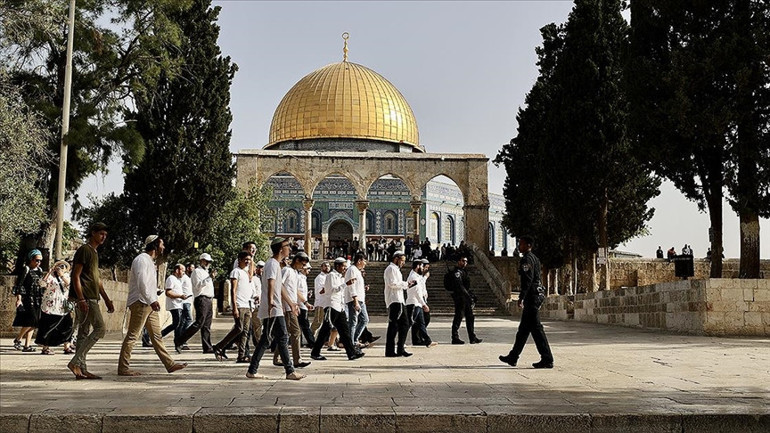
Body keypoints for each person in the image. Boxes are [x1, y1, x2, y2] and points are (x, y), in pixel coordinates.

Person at [118, 236, 187, 376]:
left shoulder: (149, 261)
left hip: (149, 302)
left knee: (156, 336)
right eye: (162, 244)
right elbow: (142, 282)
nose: (163, 247)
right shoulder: (142, 259)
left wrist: (153, 296)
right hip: (141, 302)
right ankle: (123, 368)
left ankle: (170, 364)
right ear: (155, 245)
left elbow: (147, 284)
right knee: (133, 335)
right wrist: (151, 300)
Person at [246, 237, 305, 380]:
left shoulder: (276, 264)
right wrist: (271, 301)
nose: (289, 249)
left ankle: (253, 370)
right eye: (287, 246)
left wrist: (291, 303)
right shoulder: (272, 264)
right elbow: (271, 283)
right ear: (280, 249)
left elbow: (280, 286)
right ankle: (289, 371)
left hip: (275, 306)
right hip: (273, 308)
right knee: (282, 337)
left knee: (267, 339)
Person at [68, 222, 115, 379]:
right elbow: (75, 276)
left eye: (105, 235)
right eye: (101, 234)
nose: (103, 237)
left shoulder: (94, 253)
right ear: (93, 233)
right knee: (100, 328)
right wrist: (81, 299)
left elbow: (97, 279)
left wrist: (107, 299)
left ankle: (81, 369)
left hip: (93, 296)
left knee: (83, 333)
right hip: (86, 297)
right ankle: (76, 361)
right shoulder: (84, 250)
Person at [499, 236, 554, 369]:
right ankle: (513, 357)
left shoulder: (527, 259)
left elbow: (528, 280)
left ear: (528, 245)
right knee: (524, 329)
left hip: (532, 296)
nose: (519, 246)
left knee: (536, 329)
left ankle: (547, 358)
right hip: (536, 295)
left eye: (521, 244)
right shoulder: (534, 258)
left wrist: (521, 297)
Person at [310, 257, 365, 361]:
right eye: (343, 266)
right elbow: (331, 290)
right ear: (338, 266)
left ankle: (351, 353)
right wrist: (346, 284)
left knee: (344, 331)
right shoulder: (331, 276)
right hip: (331, 306)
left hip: (340, 307)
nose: (345, 269)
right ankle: (315, 352)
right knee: (325, 330)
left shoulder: (340, 277)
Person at [214, 251, 255, 363]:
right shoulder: (235, 272)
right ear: (239, 260)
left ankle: (241, 355)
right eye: (245, 259)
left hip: (247, 305)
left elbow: (251, 272)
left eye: (249, 260)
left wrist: (253, 257)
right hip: (240, 305)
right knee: (239, 328)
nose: (247, 262)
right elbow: (233, 290)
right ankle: (219, 346)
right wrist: (235, 306)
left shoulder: (246, 273)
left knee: (245, 332)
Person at [272, 252, 311, 368]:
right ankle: (296, 360)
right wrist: (284, 304)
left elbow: (295, 290)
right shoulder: (287, 271)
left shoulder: (295, 273)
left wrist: (304, 302)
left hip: (293, 306)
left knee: (287, 333)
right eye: (302, 264)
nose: (303, 267)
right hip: (287, 307)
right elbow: (279, 286)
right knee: (295, 332)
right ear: (297, 260)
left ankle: (278, 357)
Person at [174, 253, 216, 353]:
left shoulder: (206, 273)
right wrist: (209, 278)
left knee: (207, 325)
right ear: (201, 261)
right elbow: (198, 286)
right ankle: (180, 340)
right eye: (206, 261)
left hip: (209, 299)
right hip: (202, 299)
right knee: (199, 323)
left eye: (209, 262)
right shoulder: (197, 272)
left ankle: (207, 347)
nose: (208, 263)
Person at [35, 260, 76, 355]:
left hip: (63, 305)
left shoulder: (67, 276)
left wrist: (62, 275)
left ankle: (67, 346)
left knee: (67, 325)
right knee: (48, 326)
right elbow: (42, 284)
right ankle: (46, 347)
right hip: (50, 304)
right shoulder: (51, 277)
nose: (60, 268)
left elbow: (70, 285)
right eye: (59, 266)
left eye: (63, 266)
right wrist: (49, 272)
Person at [384, 251, 417, 357]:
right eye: (402, 260)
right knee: (394, 325)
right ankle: (392, 350)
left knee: (403, 324)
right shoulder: (391, 269)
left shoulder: (396, 270)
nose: (403, 263)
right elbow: (392, 284)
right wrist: (406, 284)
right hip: (395, 300)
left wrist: (407, 285)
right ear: (396, 259)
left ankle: (400, 348)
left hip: (399, 299)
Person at [12, 249, 45, 353]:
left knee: (35, 323)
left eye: (40, 260)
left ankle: (27, 345)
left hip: (37, 298)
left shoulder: (39, 270)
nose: (38, 262)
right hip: (27, 298)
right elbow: (19, 285)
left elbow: (40, 284)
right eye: (36, 260)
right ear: (31, 259)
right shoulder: (25, 269)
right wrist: (19, 299)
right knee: (31, 320)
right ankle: (18, 339)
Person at [446, 256, 481, 344]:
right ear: (458, 261)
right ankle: (455, 337)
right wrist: (468, 296)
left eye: (466, 261)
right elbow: (460, 286)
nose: (465, 263)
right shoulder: (457, 272)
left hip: (465, 297)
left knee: (470, 317)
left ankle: (472, 337)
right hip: (460, 297)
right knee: (458, 317)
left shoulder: (464, 271)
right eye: (463, 261)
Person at [406, 259, 437, 348]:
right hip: (414, 303)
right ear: (418, 266)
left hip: (418, 303)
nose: (423, 269)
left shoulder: (417, 276)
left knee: (421, 323)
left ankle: (428, 341)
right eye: (422, 266)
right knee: (408, 323)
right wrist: (424, 304)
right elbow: (417, 292)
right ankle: (401, 341)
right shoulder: (413, 277)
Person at [160, 264, 190, 345]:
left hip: (178, 304)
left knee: (177, 324)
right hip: (174, 305)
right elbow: (168, 292)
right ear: (177, 270)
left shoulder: (177, 280)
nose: (184, 273)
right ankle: (163, 336)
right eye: (182, 271)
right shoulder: (171, 279)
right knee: (177, 324)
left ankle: (177, 341)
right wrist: (180, 296)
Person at [345, 253, 369, 346]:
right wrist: (355, 301)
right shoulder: (352, 270)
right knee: (353, 322)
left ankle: (354, 339)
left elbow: (357, 285)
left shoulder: (357, 271)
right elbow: (351, 286)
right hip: (354, 300)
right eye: (364, 261)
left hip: (360, 299)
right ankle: (351, 343)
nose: (365, 263)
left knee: (364, 320)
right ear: (359, 261)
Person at [296, 261, 315, 348]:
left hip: (303, 304)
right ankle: (312, 343)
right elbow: (297, 291)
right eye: (308, 269)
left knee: (302, 326)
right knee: (305, 326)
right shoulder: (299, 278)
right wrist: (305, 302)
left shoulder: (303, 278)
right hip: (300, 305)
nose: (309, 271)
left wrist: (307, 295)